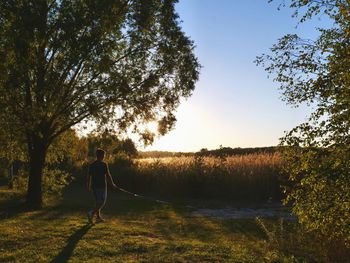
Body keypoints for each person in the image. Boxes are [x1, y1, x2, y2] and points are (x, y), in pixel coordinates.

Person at [87, 148, 118, 223]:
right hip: (102, 186)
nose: (104, 156)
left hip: (94, 186)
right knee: (102, 202)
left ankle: (98, 217)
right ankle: (91, 213)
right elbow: (108, 175)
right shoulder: (104, 164)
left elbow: (88, 177)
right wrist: (112, 184)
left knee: (98, 201)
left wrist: (88, 186)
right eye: (103, 155)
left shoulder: (92, 165)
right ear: (101, 156)